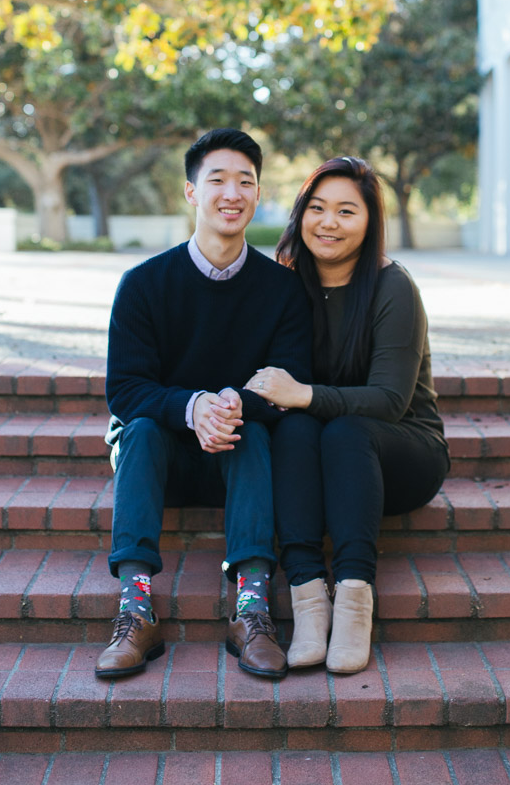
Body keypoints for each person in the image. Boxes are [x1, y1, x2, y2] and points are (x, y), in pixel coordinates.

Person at [95, 128, 312, 682]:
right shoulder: (144, 284)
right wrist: (193, 408)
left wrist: (231, 407)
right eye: (217, 180)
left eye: (246, 182)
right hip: (160, 459)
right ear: (191, 192)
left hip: (239, 461)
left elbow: (292, 380)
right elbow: (125, 389)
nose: (231, 193)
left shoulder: (282, 291)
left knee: (255, 433)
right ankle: (135, 609)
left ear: (258, 195)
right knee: (139, 429)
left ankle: (252, 611)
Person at [244, 156, 449, 674]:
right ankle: (310, 602)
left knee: (343, 428)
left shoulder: (392, 287)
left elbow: (389, 402)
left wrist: (305, 395)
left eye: (345, 211)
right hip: (322, 453)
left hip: (401, 454)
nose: (328, 223)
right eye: (317, 208)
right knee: (294, 428)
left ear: (369, 221)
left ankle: (356, 604)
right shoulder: (284, 283)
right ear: (300, 215)